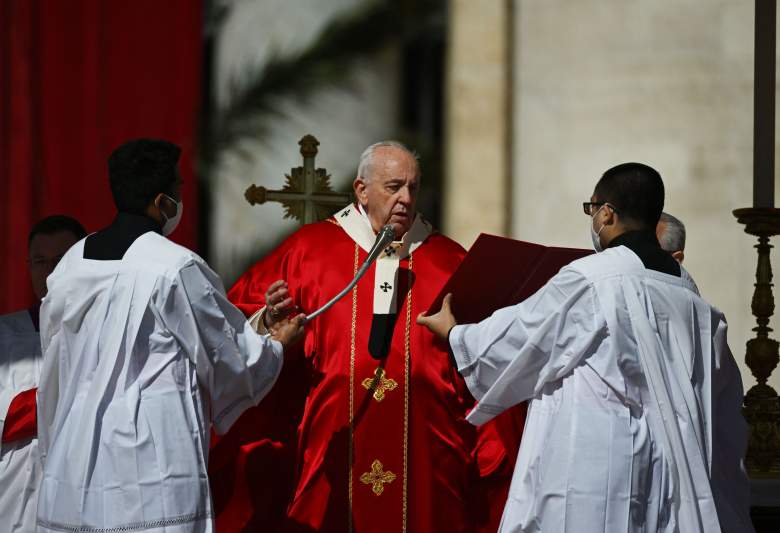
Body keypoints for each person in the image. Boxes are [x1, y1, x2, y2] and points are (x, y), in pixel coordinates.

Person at [418, 162, 752, 532]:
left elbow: (525, 333)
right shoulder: (690, 295)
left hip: (598, 468)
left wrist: (456, 335)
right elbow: (720, 400)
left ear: (605, 213)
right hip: (670, 469)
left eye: (591, 210)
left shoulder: (594, 277)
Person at [210, 141, 517, 532]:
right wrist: (267, 322)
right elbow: (236, 321)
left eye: (413, 187)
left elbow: (485, 353)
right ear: (361, 190)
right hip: (333, 443)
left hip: (429, 449)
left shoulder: (450, 261)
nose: (406, 198)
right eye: (393, 187)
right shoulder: (308, 252)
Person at [35, 139, 305, 533]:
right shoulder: (174, 267)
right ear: (162, 202)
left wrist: (260, 323)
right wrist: (276, 344)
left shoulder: (71, 263)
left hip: (74, 461)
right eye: (178, 189)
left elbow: (53, 364)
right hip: (148, 469)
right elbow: (229, 359)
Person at [0, 215, 86, 532]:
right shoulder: (4, 336)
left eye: (60, 260)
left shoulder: (108, 332)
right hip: (14, 509)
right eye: (40, 261)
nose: (49, 272)